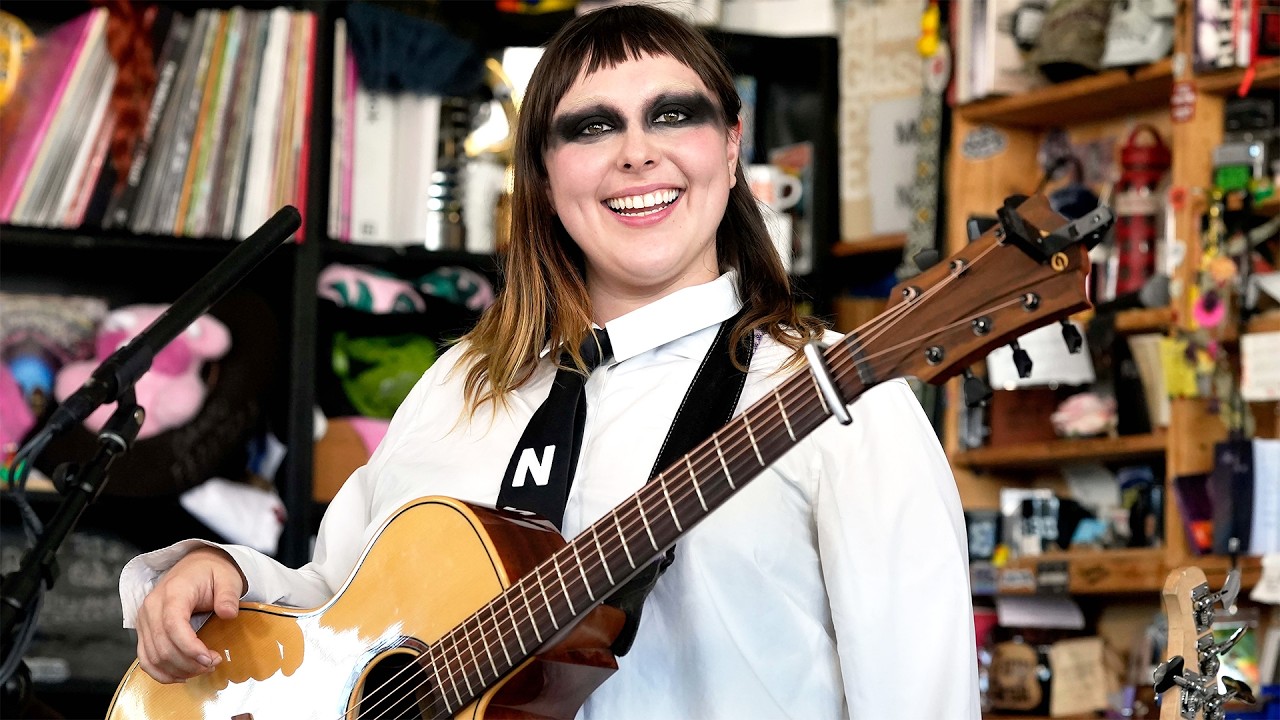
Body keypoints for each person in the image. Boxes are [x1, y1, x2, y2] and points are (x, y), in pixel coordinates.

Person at [119, 4, 980, 717]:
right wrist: (223, 574)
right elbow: (336, 613)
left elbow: (923, 699)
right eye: (592, 127)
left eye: (674, 115)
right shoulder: (459, 386)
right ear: (541, 172)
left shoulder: (839, 398)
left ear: (730, 145)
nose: (637, 152)